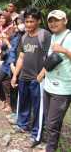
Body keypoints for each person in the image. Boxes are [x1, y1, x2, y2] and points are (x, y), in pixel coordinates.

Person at [11, 7, 51, 148]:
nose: (28, 24)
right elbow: (21, 57)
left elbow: (50, 56)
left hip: (37, 78)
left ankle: (37, 134)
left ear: (38, 21)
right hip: (24, 76)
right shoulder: (24, 37)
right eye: (26, 21)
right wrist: (15, 75)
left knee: (38, 107)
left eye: (31, 21)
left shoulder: (44, 35)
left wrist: (42, 74)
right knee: (23, 102)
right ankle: (22, 124)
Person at [36, 10, 71, 152]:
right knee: (50, 122)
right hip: (49, 86)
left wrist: (65, 51)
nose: (53, 23)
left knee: (52, 124)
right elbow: (51, 59)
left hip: (63, 89)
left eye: (57, 20)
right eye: (50, 20)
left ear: (65, 21)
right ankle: (51, 147)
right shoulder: (54, 37)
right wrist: (42, 73)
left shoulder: (69, 37)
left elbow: (61, 54)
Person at [0, 15, 24, 112]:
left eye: (19, 24)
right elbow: (6, 47)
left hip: (15, 63)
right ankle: (4, 101)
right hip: (7, 62)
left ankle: (12, 107)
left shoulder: (24, 36)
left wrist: (7, 43)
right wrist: (4, 42)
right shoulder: (14, 34)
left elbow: (16, 51)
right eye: (15, 24)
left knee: (13, 87)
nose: (16, 26)